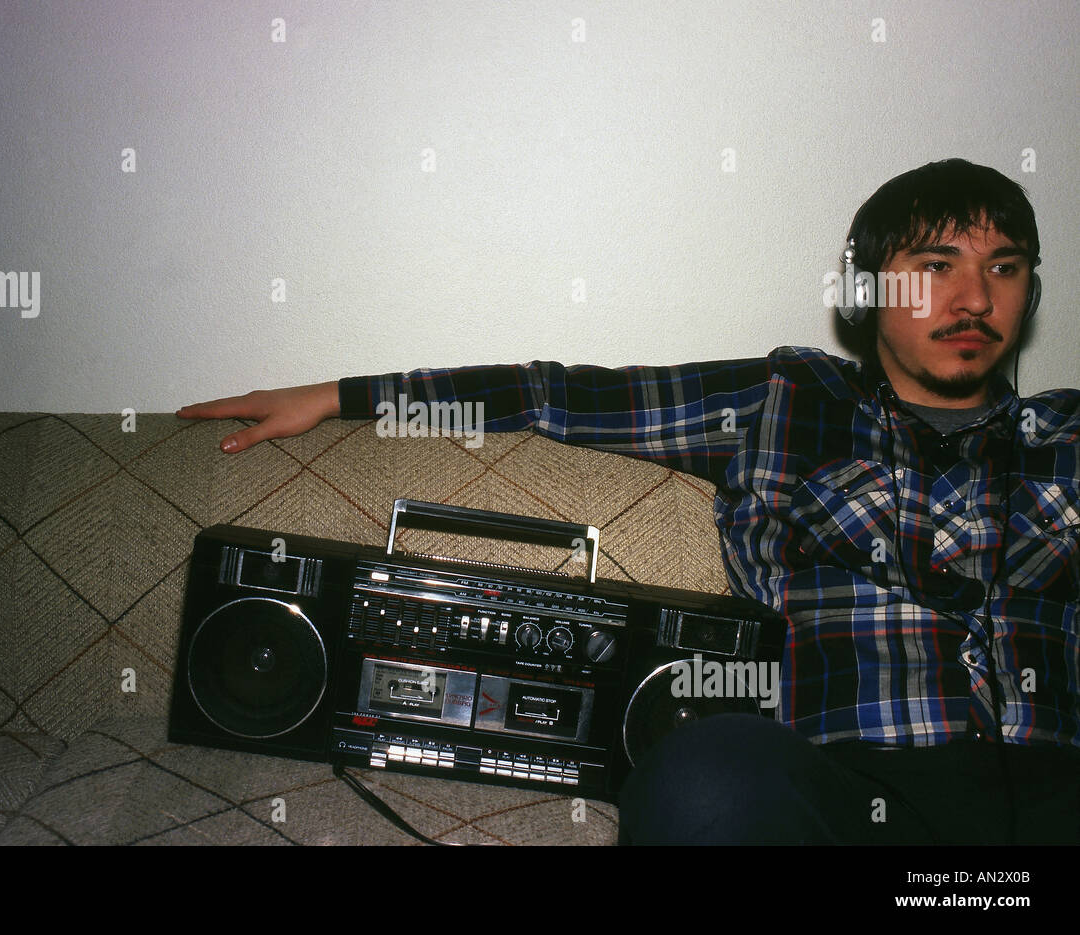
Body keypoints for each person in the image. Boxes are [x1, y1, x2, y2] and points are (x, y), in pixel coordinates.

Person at [178, 159, 1079, 844]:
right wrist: (343, 397)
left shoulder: (1068, 436)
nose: (972, 297)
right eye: (935, 264)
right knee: (702, 774)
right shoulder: (784, 403)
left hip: (1051, 790)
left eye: (1003, 269)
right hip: (840, 798)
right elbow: (549, 394)